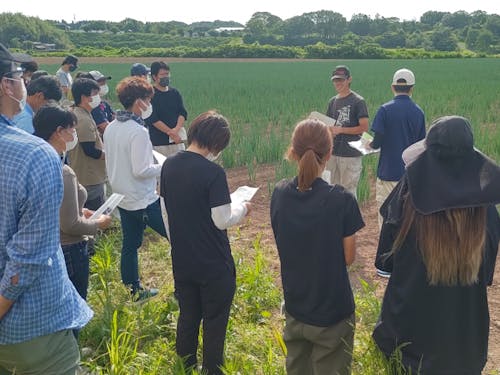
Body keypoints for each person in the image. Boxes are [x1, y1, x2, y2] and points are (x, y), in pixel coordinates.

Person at [372, 116, 500, 374]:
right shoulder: (485, 209)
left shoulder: (408, 194)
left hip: (406, 344)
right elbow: (485, 276)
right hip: (465, 350)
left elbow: (384, 264)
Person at [0, 43, 92, 374]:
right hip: (30, 329)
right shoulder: (34, 154)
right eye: (18, 75)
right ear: (6, 85)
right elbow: (28, 259)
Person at [270, 119, 365, 375]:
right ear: (330, 152)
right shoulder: (342, 200)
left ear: (293, 151)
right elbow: (348, 257)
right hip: (332, 310)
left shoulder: (279, 193)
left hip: (295, 304)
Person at [160, 111, 251, 375]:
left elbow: (165, 210)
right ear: (216, 144)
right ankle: (212, 370)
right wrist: (242, 208)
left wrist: (176, 243)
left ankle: (184, 366)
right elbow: (222, 219)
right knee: (214, 322)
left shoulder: (169, 164)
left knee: (188, 316)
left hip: (183, 258)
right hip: (213, 263)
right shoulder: (213, 173)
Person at [32, 104, 112, 300]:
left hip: (49, 246)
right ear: (59, 132)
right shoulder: (63, 172)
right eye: (72, 130)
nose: (74, 135)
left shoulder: (36, 160)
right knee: (73, 304)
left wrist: (79, 209)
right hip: (70, 249)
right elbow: (70, 225)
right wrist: (98, 223)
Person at [104, 76, 168, 300]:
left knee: (130, 244)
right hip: (143, 198)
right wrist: (164, 167)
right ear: (139, 101)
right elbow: (141, 170)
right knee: (176, 236)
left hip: (122, 195)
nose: (150, 104)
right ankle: (185, 288)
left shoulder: (112, 126)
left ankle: (133, 290)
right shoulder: (137, 131)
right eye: (148, 99)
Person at [369, 68, 426, 229]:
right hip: (409, 176)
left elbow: (377, 143)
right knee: (407, 219)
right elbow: (421, 146)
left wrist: (370, 144)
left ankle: (386, 253)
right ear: (412, 88)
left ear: (393, 87)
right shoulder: (418, 112)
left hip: (388, 173)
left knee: (386, 217)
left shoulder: (384, 110)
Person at [326, 65, 369, 199]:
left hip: (350, 154)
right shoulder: (332, 102)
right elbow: (329, 124)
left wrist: (341, 130)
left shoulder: (358, 101)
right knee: (331, 189)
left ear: (349, 79)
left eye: (341, 80)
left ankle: (350, 219)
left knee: (349, 191)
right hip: (333, 153)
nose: (338, 83)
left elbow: (364, 127)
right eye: (335, 80)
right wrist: (329, 131)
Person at [68, 78, 107, 211]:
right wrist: (109, 155)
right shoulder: (83, 119)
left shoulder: (79, 113)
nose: (98, 96)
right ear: (84, 97)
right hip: (90, 177)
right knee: (95, 214)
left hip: (85, 175)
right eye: (95, 93)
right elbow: (90, 150)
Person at [146, 61, 188, 157]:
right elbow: (153, 119)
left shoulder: (175, 93)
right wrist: (170, 133)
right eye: (162, 74)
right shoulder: (149, 95)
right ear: (154, 77)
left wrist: (176, 130)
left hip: (177, 141)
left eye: (167, 74)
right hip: (159, 143)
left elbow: (182, 113)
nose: (166, 77)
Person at [89, 70, 115, 135]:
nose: (104, 84)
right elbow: (104, 127)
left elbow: (114, 117)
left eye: (104, 81)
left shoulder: (104, 103)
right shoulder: (93, 105)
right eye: (101, 82)